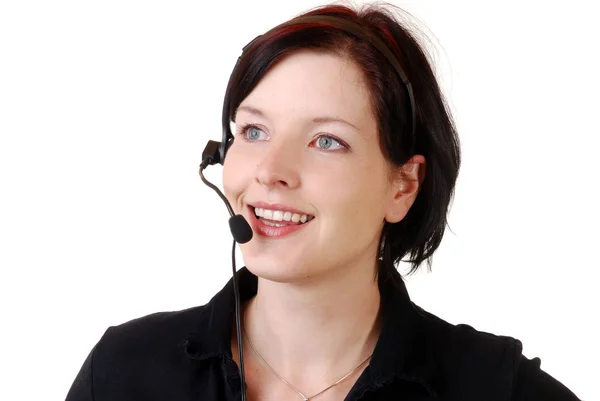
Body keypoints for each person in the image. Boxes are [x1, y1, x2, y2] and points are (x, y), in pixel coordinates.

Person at [66, 3, 580, 401]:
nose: (270, 171)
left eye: (326, 141)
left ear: (402, 186)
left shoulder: (497, 389)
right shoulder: (123, 373)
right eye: (254, 130)